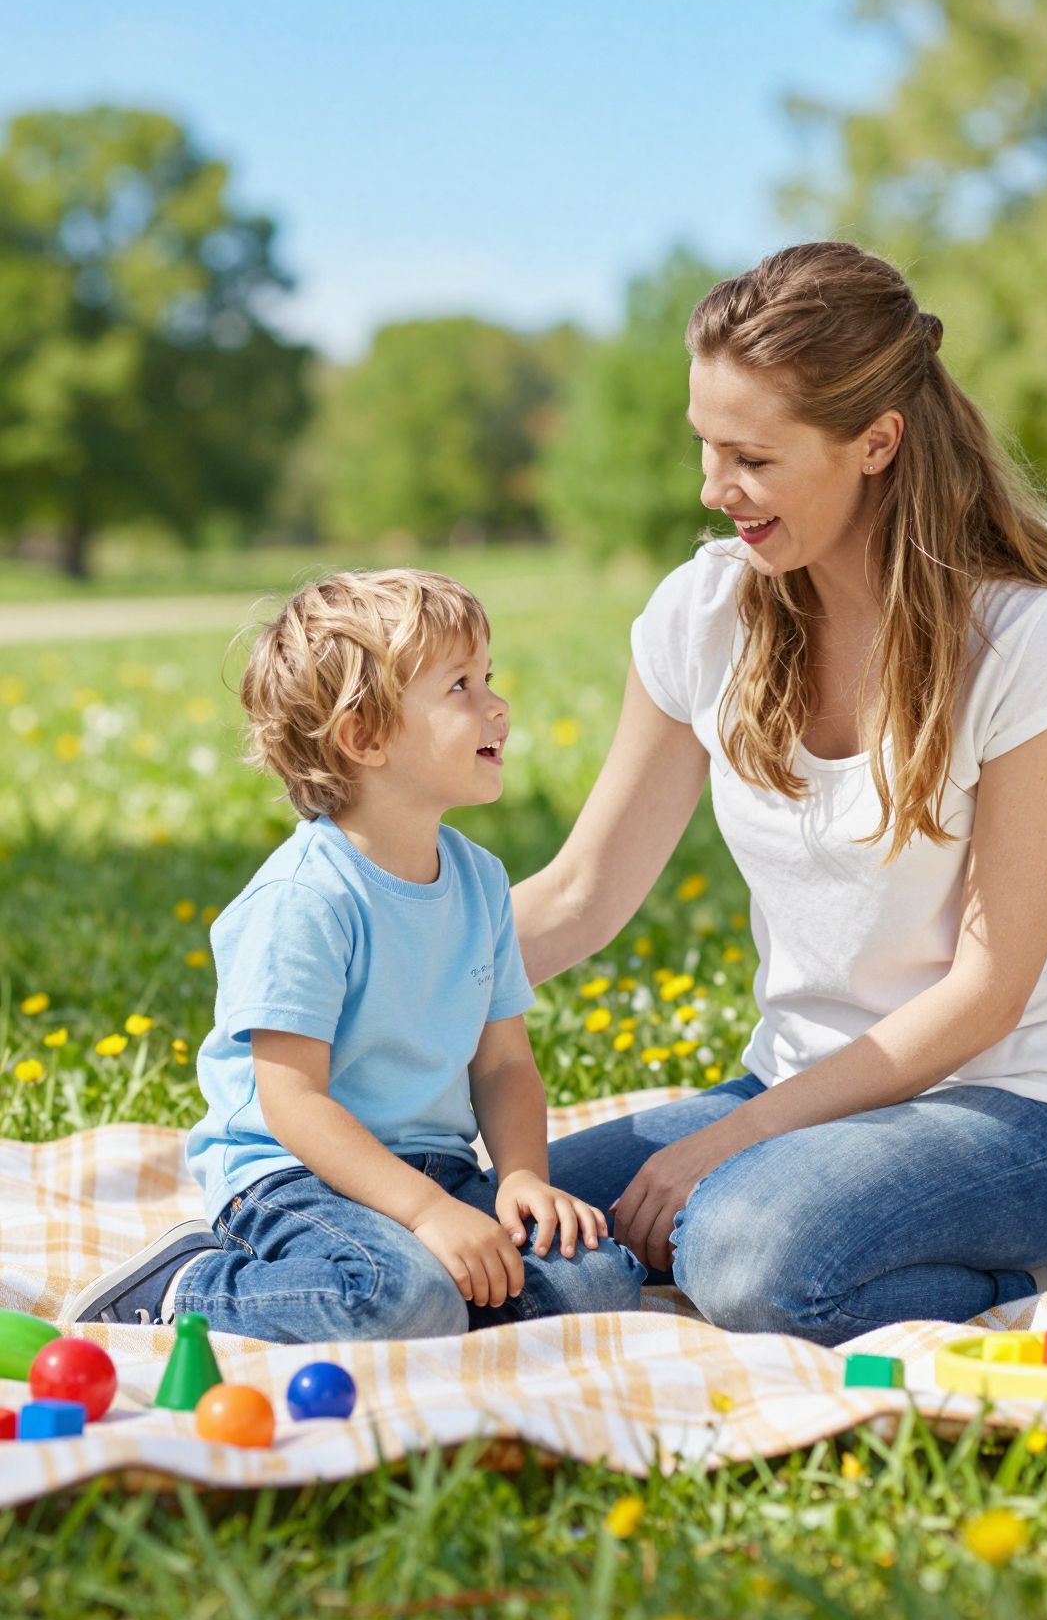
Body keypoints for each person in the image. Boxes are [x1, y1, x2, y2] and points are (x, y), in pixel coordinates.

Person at [514, 241, 1047, 1345]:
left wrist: (729, 1141)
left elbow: (989, 994)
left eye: (751, 458)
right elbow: (581, 892)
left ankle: (1001, 1285)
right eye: (706, 449)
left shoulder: (1023, 640)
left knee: (746, 1253)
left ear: (876, 443)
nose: (715, 491)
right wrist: (361, 985)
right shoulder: (704, 613)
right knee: (503, 1220)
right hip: (797, 1091)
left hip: (1015, 1111)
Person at [64, 569, 643, 1339]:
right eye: (460, 687)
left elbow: (503, 1064)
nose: (497, 706)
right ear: (364, 737)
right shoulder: (305, 898)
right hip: (294, 1179)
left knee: (598, 1277)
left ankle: (428, 1285)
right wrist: (428, 1214)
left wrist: (523, 1179)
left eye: (489, 678)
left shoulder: (480, 880)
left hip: (435, 1169)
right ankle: (188, 1284)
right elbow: (293, 1103)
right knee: (398, 1298)